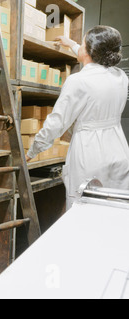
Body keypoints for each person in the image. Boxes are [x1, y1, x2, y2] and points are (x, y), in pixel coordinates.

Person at [25, 25, 129, 210]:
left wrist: (32, 150)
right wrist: (72, 44)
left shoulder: (78, 81)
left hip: (90, 154)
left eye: (82, 43)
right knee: (114, 210)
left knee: (85, 211)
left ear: (90, 51)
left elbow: (57, 123)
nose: (79, 47)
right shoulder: (120, 77)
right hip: (118, 150)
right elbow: (95, 65)